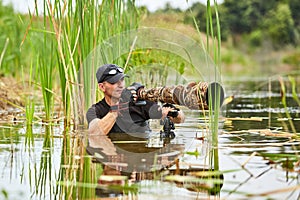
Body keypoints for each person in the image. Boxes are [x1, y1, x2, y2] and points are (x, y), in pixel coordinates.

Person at [86, 64, 185, 145]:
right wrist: (118, 107)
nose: (120, 85)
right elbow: (95, 134)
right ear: (102, 87)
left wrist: (172, 113)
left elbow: (181, 118)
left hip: (140, 156)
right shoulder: (95, 110)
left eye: (122, 80)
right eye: (114, 82)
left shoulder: (138, 103)